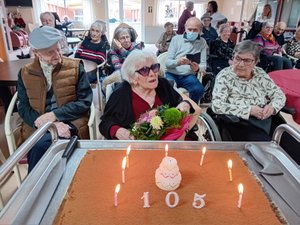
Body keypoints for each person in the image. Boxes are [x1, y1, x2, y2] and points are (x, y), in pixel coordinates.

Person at [17, 26, 93, 172]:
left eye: (58, 49)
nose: (57, 55)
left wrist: (54, 116)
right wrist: (47, 124)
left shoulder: (76, 67)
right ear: (36, 53)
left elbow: (85, 101)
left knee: (42, 146)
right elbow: (23, 107)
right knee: (44, 146)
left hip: (71, 120)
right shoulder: (25, 73)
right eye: (50, 52)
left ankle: (35, 188)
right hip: (37, 123)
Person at [99, 49, 200, 140]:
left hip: (172, 142)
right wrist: (118, 131)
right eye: (144, 70)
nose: (152, 73)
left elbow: (180, 103)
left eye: (154, 67)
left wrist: (185, 104)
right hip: (138, 147)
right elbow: (105, 123)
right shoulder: (121, 93)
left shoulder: (163, 84)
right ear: (133, 78)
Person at [211, 40, 286, 141]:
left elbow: (279, 95)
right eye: (238, 58)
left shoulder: (260, 73)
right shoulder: (224, 76)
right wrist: (249, 110)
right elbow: (217, 105)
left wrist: (272, 107)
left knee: (293, 145)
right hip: (239, 122)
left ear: (255, 62)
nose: (241, 64)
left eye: (247, 60)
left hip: (265, 118)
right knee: (267, 150)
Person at [165, 17, 207, 103]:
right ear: (185, 28)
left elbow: (203, 65)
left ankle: (190, 108)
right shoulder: (176, 39)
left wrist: (198, 69)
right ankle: (173, 110)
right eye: (189, 29)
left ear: (200, 30)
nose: (192, 32)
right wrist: (177, 62)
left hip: (188, 75)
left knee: (199, 90)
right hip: (172, 73)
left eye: (195, 30)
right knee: (167, 89)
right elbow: (167, 63)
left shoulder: (202, 42)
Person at [102, 26, 143, 91]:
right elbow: (117, 66)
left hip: (137, 73)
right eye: (122, 38)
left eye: (127, 37)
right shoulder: (113, 51)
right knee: (106, 82)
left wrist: (121, 49)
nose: (126, 40)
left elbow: (135, 60)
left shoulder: (137, 46)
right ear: (116, 41)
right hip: (121, 74)